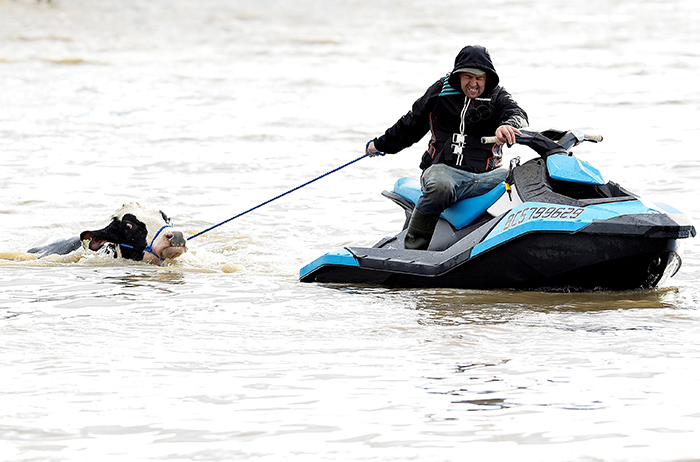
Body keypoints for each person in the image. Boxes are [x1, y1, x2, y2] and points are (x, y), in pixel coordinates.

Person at [366, 45, 528, 250]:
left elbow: (518, 114)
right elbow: (410, 124)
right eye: (468, 76)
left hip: (488, 176)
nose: (473, 83)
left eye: (479, 78)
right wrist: (380, 145)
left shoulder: (497, 96)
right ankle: (413, 248)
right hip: (444, 173)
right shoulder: (441, 90)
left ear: (487, 78)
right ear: (458, 75)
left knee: (525, 176)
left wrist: (509, 125)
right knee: (440, 186)